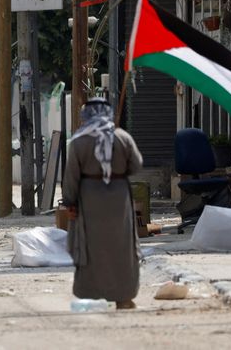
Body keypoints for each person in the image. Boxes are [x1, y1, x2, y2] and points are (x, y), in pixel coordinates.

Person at [62, 96, 143, 310]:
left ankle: (92, 294)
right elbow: (136, 165)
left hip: (90, 199)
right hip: (119, 198)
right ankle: (124, 297)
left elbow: (71, 176)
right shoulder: (122, 137)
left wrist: (70, 202)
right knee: (122, 246)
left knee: (92, 246)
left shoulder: (79, 141)